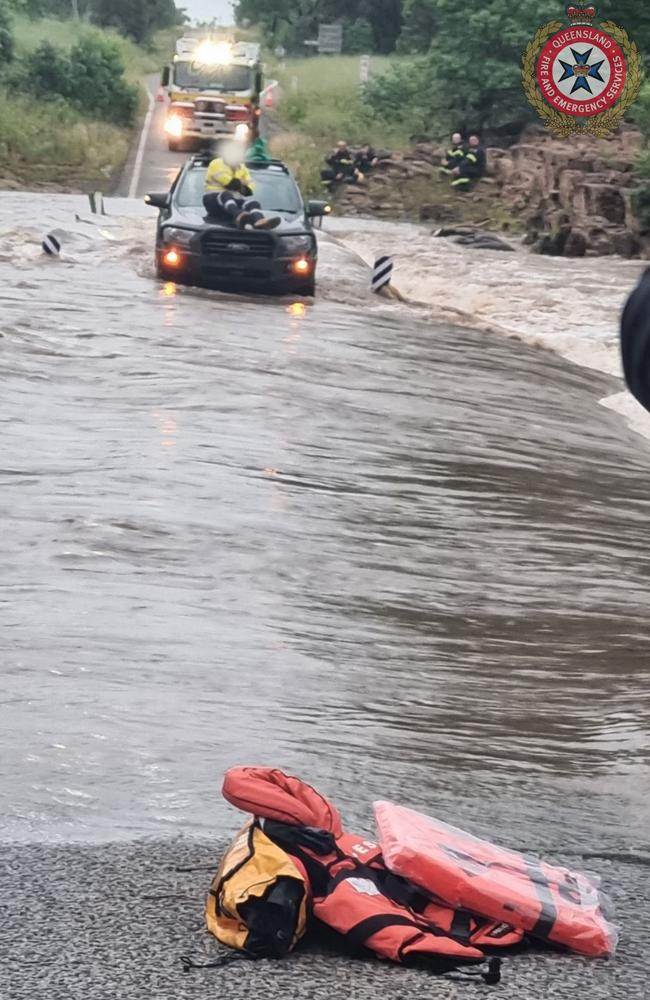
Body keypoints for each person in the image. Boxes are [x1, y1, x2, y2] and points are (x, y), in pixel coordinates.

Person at [203, 143, 280, 231]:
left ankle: (260, 221)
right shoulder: (217, 163)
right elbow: (230, 183)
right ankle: (239, 215)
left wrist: (240, 186)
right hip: (213, 201)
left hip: (232, 201)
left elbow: (249, 189)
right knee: (226, 195)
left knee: (253, 203)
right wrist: (240, 185)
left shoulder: (242, 167)